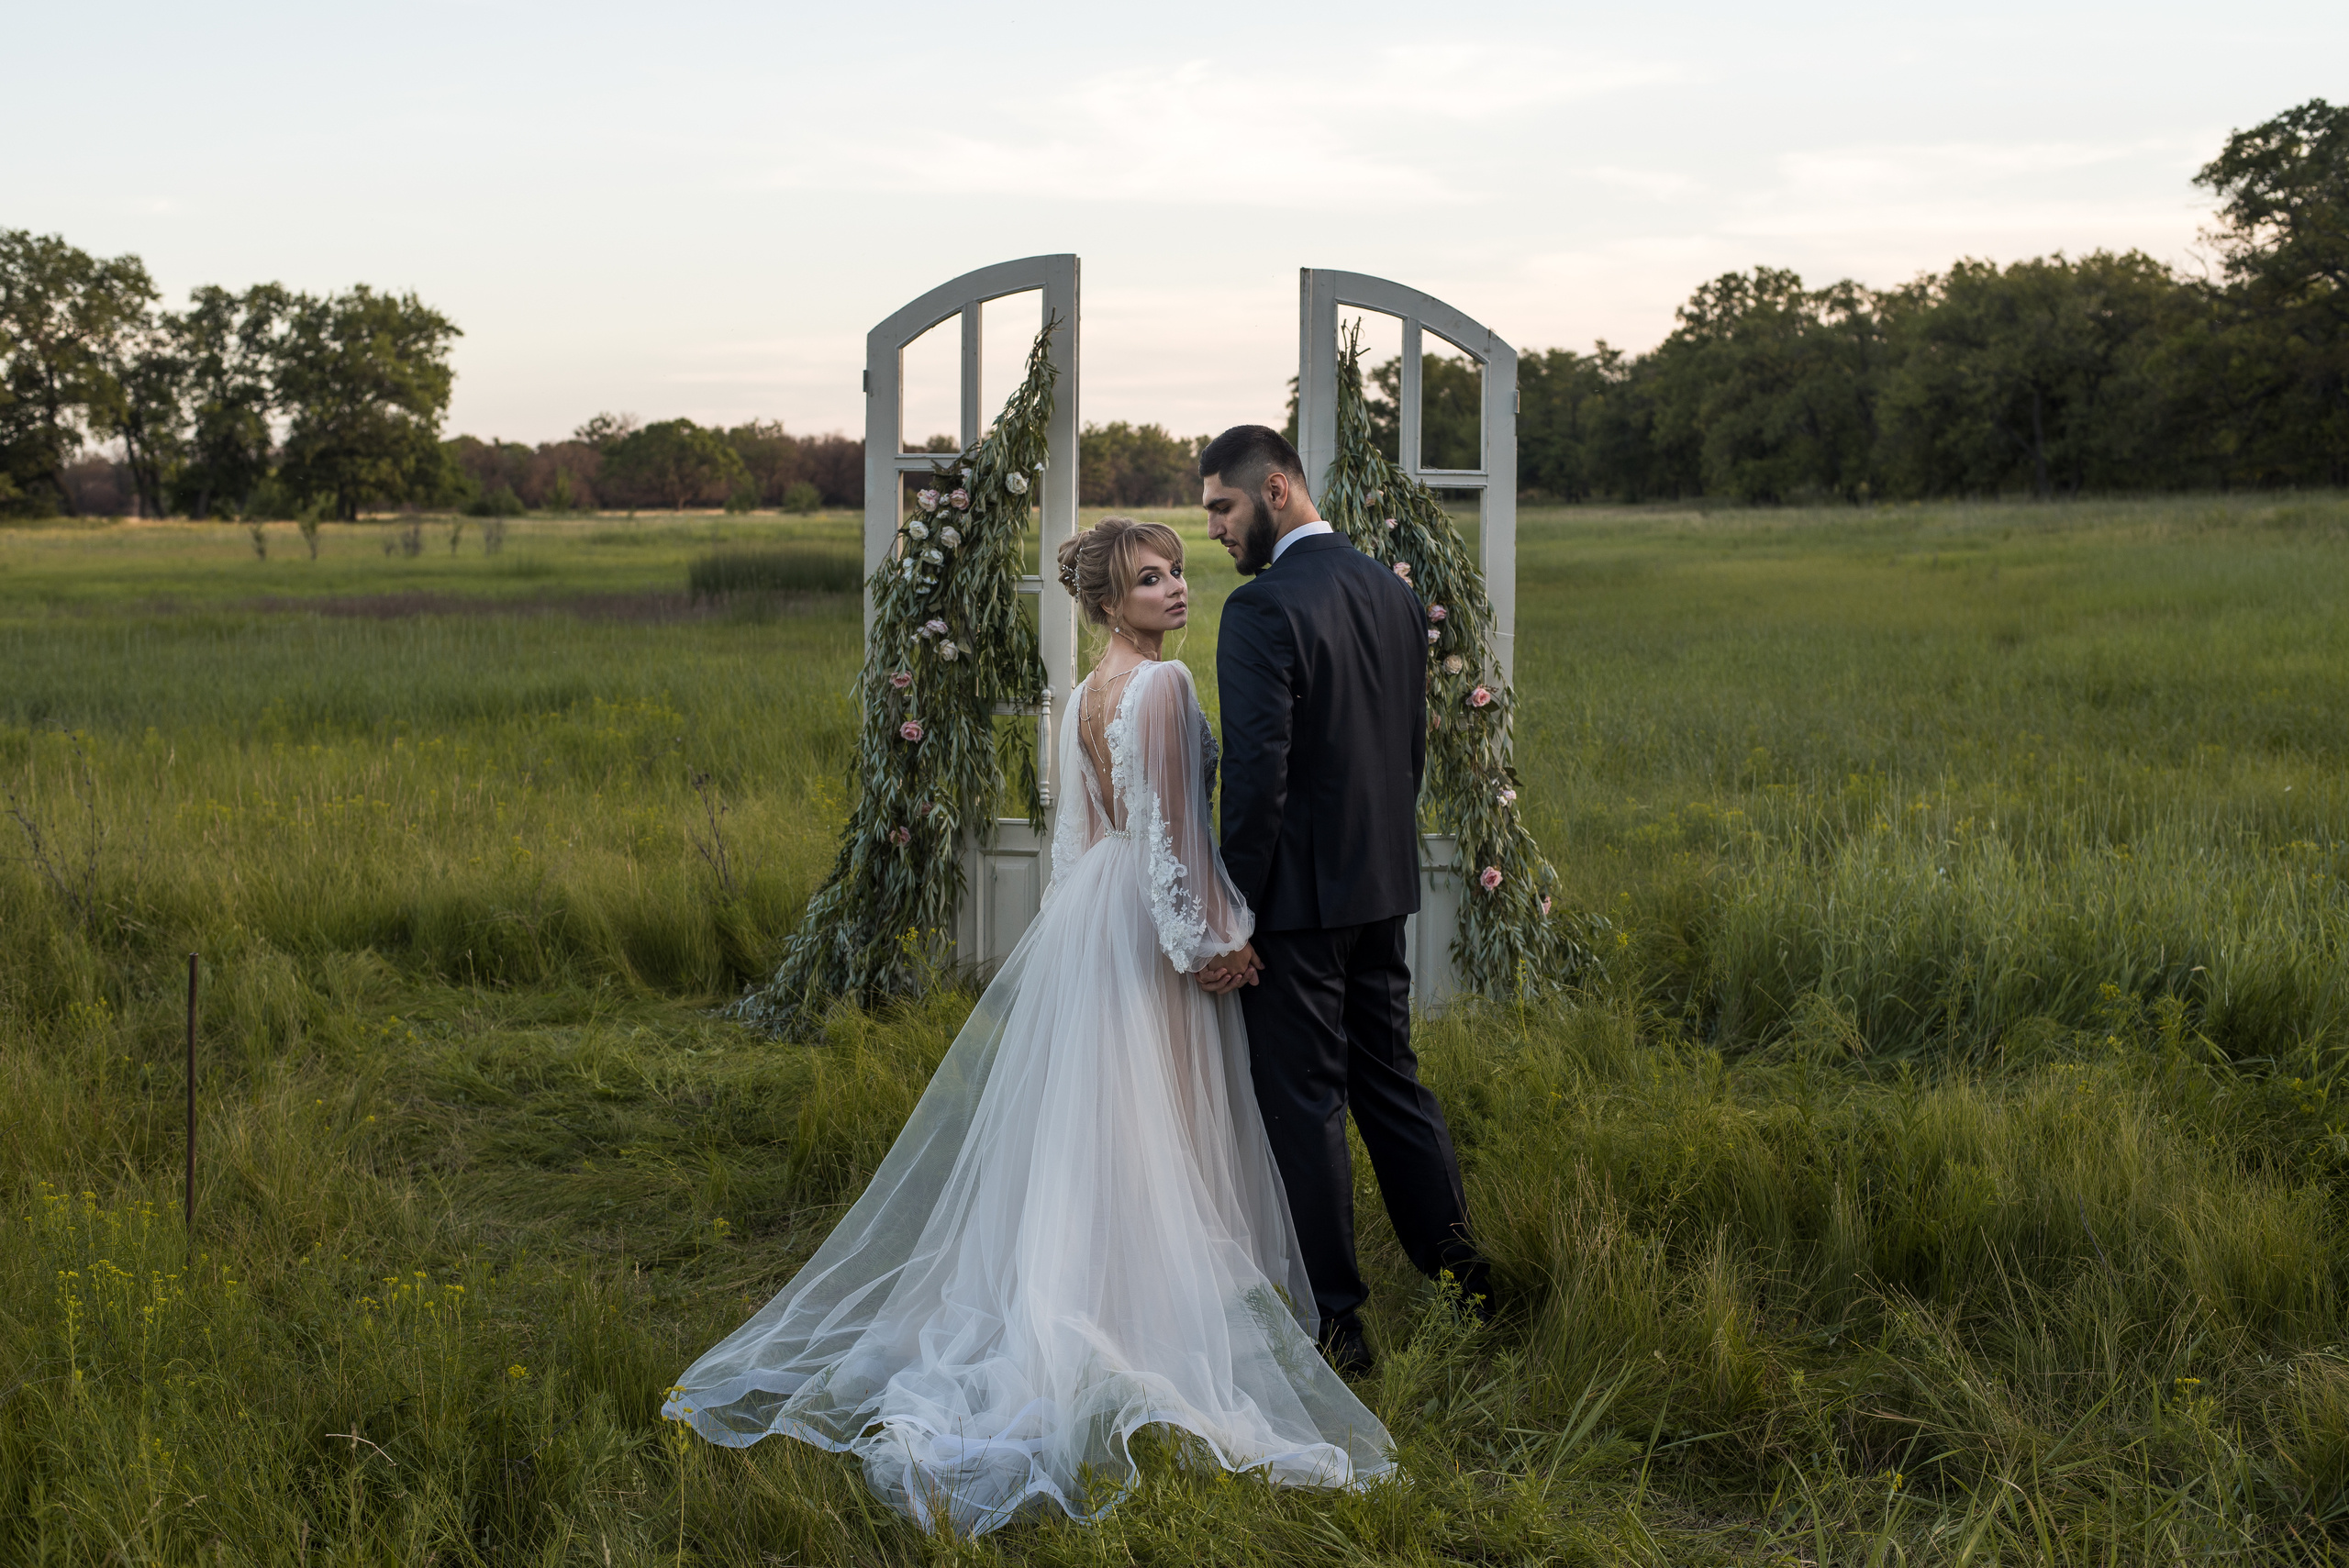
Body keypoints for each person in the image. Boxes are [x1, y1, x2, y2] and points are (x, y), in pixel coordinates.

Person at [662, 517, 1392, 1536]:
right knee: (1164, 1116)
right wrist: (1212, 938)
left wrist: (1075, 934)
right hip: (1149, 917)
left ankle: (1102, 1286)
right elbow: (1175, 835)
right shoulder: (1165, 687)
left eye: (1179, 571)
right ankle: (1149, 1307)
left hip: (1096, 911)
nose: (1177, 588)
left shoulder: (1081, 697)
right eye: (1151, 579)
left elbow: (1078, 836)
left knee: (1105, 1119)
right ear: (1106, 601)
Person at [1197, 425, 1496, 1378]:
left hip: (1293, 901)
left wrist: (1231, 909)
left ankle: (1340, 1321)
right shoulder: (1391, 591)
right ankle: (1462, 1273)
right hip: (1380, 882)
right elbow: (1405, 751)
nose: (1212, 528)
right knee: (1390, 1080)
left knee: (1305, 1103)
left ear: (1275, 490)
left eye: (1221, 506)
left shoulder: (1259, 609)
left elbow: (1255, 780)